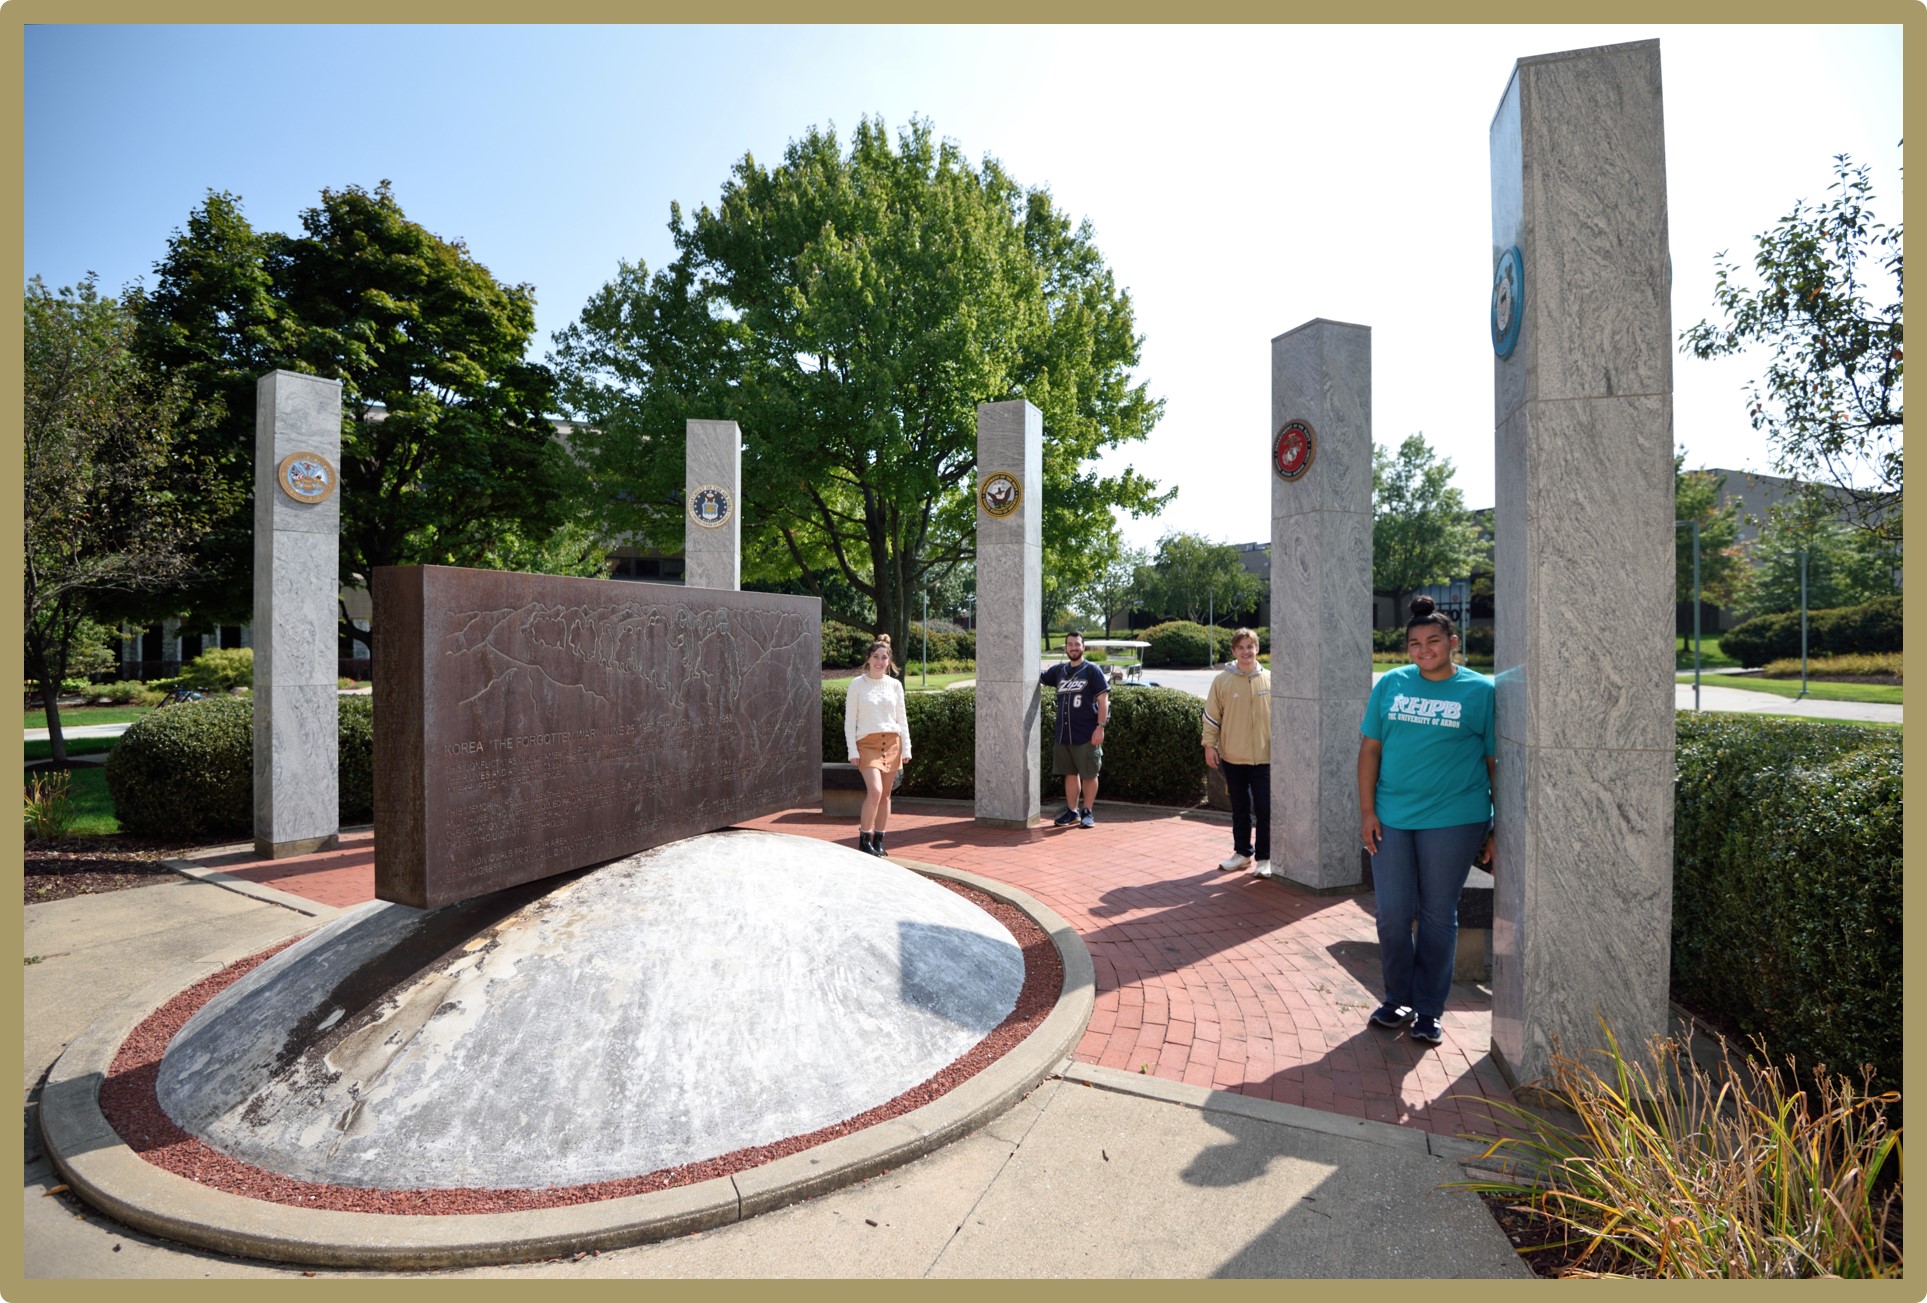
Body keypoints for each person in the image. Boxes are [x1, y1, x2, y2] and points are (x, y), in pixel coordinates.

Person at [1356, 596, 1496, 1047]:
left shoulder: (1481, 692)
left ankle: (1429, 1010)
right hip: (1392, 816)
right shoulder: (1391, 684)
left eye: (1433, 641)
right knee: (1393, 913)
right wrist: (1366, 811)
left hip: (1455, 818)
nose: (1423, 650)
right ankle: (1398, 997)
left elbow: (1496, 762)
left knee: (1437, 916)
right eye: (1415, 643)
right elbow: (1370, 750)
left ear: (1453, 642)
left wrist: (1499, 826)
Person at [1202, 627, 1272, 878]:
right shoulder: (1222, 680)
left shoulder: (1270, 680)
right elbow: (1211, 715)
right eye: (1240, 647)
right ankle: (1242, 854)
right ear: (1233, 651)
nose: (1246, 652)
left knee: (1265, 808)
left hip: (1265, 757)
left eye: (1250, 646)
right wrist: (1209, 745)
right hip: (1233, 756)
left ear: (1257, 649)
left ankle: (1265, 859)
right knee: (1241, 808)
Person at [845, 636, 912, 857]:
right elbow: (849, 721)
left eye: (884, 658)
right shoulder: (857, 684)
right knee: (874, 791)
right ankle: (865, 838)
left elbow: (902, 719)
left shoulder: (895, 685)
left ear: (889, 661)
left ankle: (879, 839)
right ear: (868, 659)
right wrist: (852, 750)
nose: (880, 661)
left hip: (893, 743)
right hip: (867, 743)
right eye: (876, 657)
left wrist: (907, 749)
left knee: (885, 796)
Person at [1040, 630, 1109, 828]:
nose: (1073, 648)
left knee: (1089, 774)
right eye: (1070, 644)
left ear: (1083, 647)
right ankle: (1072, 812)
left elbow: (1104, 701)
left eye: (1077, 644)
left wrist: (1100, 727)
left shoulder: (1092, 670)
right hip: (1064, 733)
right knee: (1070, 774)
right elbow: (1039, 677)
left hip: (1086, 733)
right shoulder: (1059, 671)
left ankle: (1087, 811)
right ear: (1066, 647)